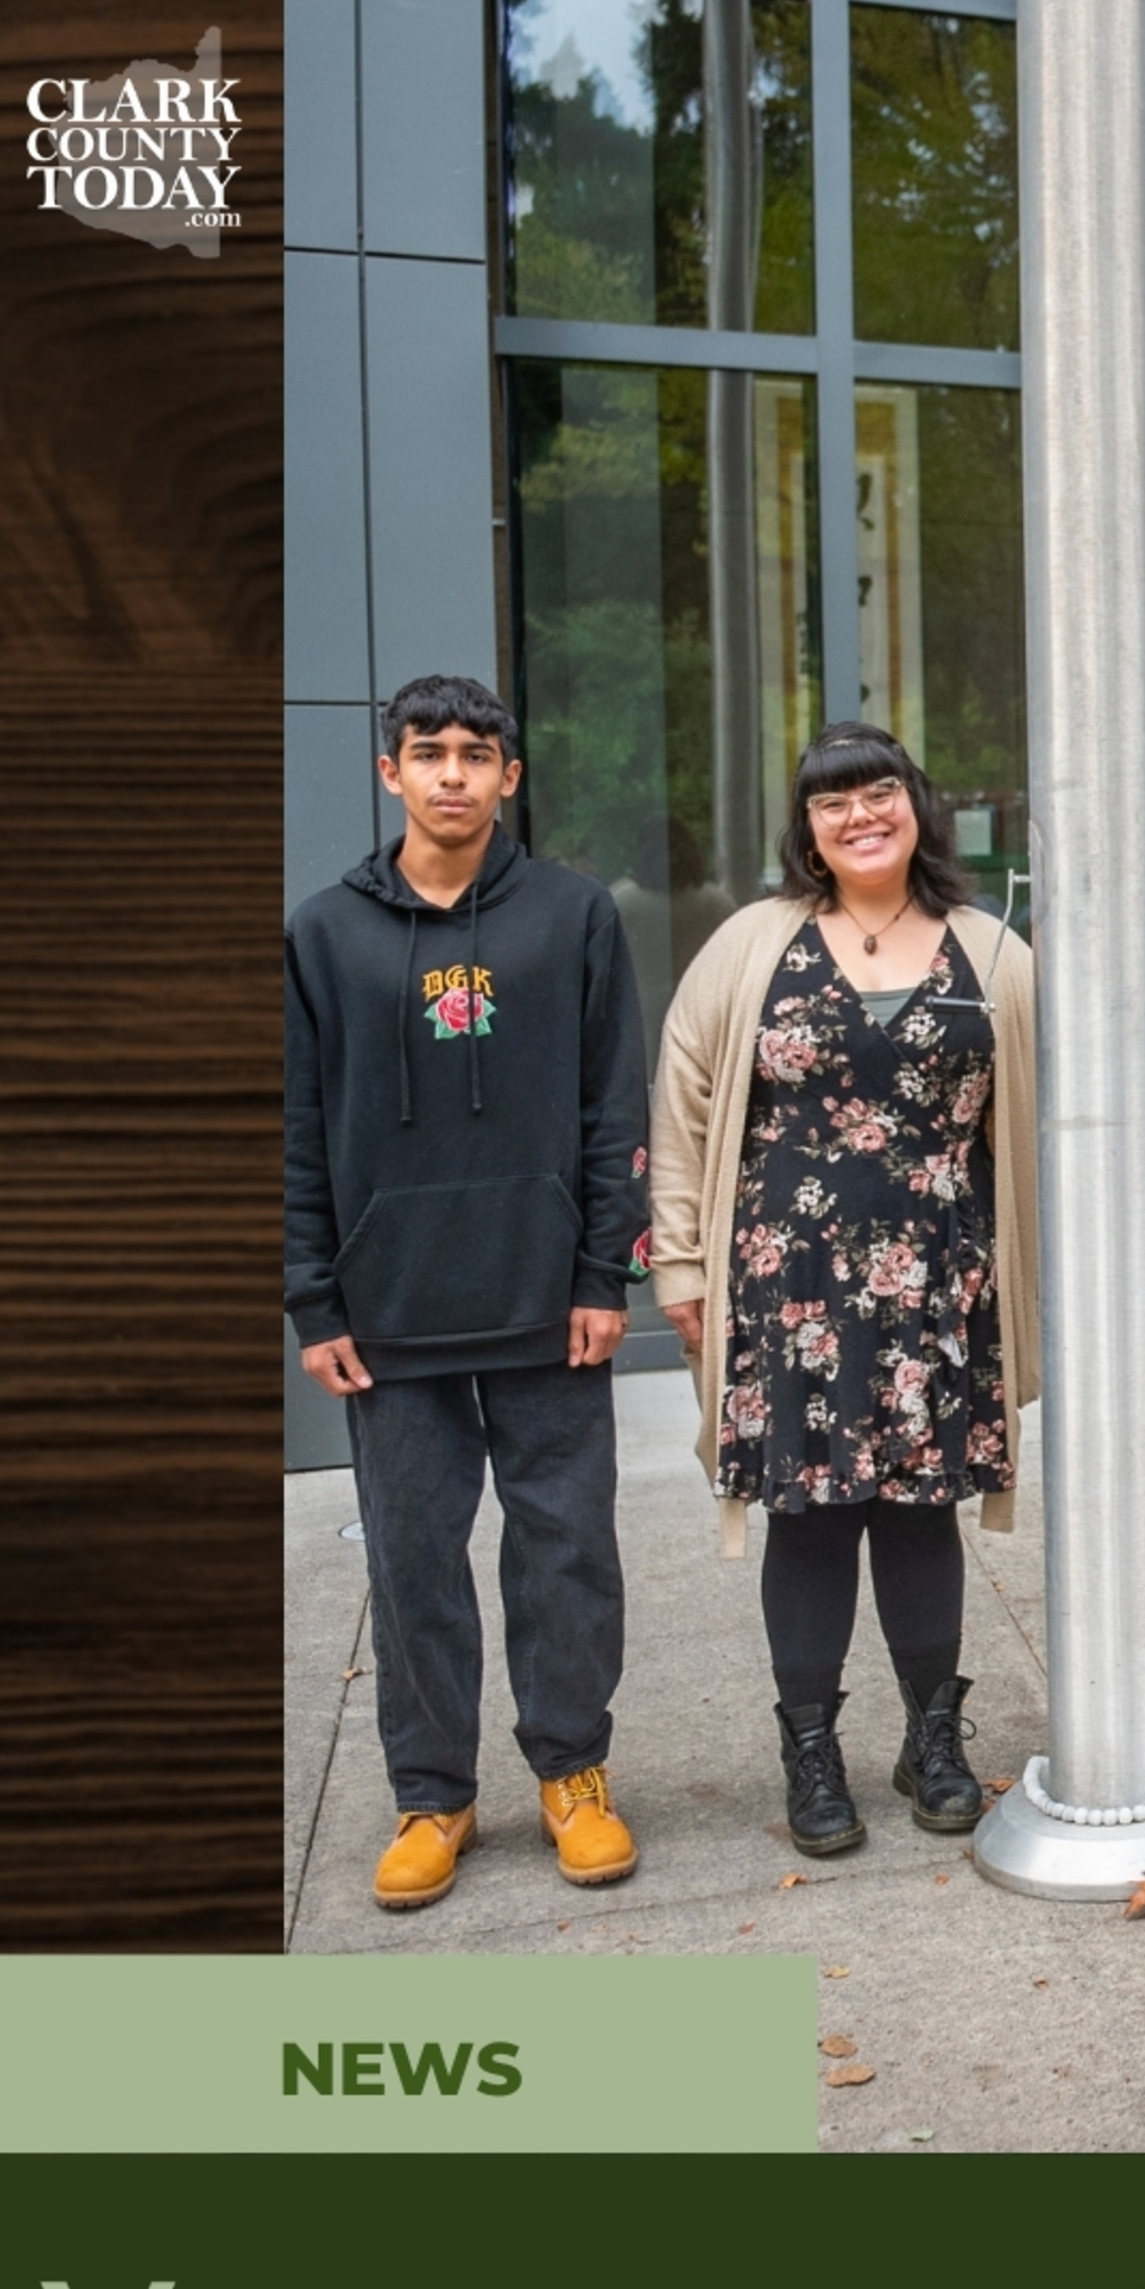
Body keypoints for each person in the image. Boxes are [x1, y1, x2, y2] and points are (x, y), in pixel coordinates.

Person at [649, 725, 1145, 1856]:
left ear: (917, 804)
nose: (858, 816)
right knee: (807, 1523)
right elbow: (685, 1100)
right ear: (805, 826)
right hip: (789, 1286)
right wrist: (677, 1260)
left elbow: (1077, 1108)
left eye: (878, 794)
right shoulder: (752, 945)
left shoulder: (992, 952)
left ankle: (932, 1738)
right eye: (830, 803)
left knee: (919, 1517)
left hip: (937, 1289)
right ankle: (811, 1753)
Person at [284, 675, 652, 1909]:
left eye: (476, 754)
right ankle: (432, 1794)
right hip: (389, 1317)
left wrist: (605, 1269)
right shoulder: (323, 932)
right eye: (428, 753)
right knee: (412, 1565)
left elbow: (614, 1108)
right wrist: (311, 1300)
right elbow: (292, 1127)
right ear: (390, 773)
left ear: (511, 776)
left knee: (566, 1552)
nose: (452, 773)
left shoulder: (573, 914)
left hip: (550, 1304)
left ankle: (573, 1773)